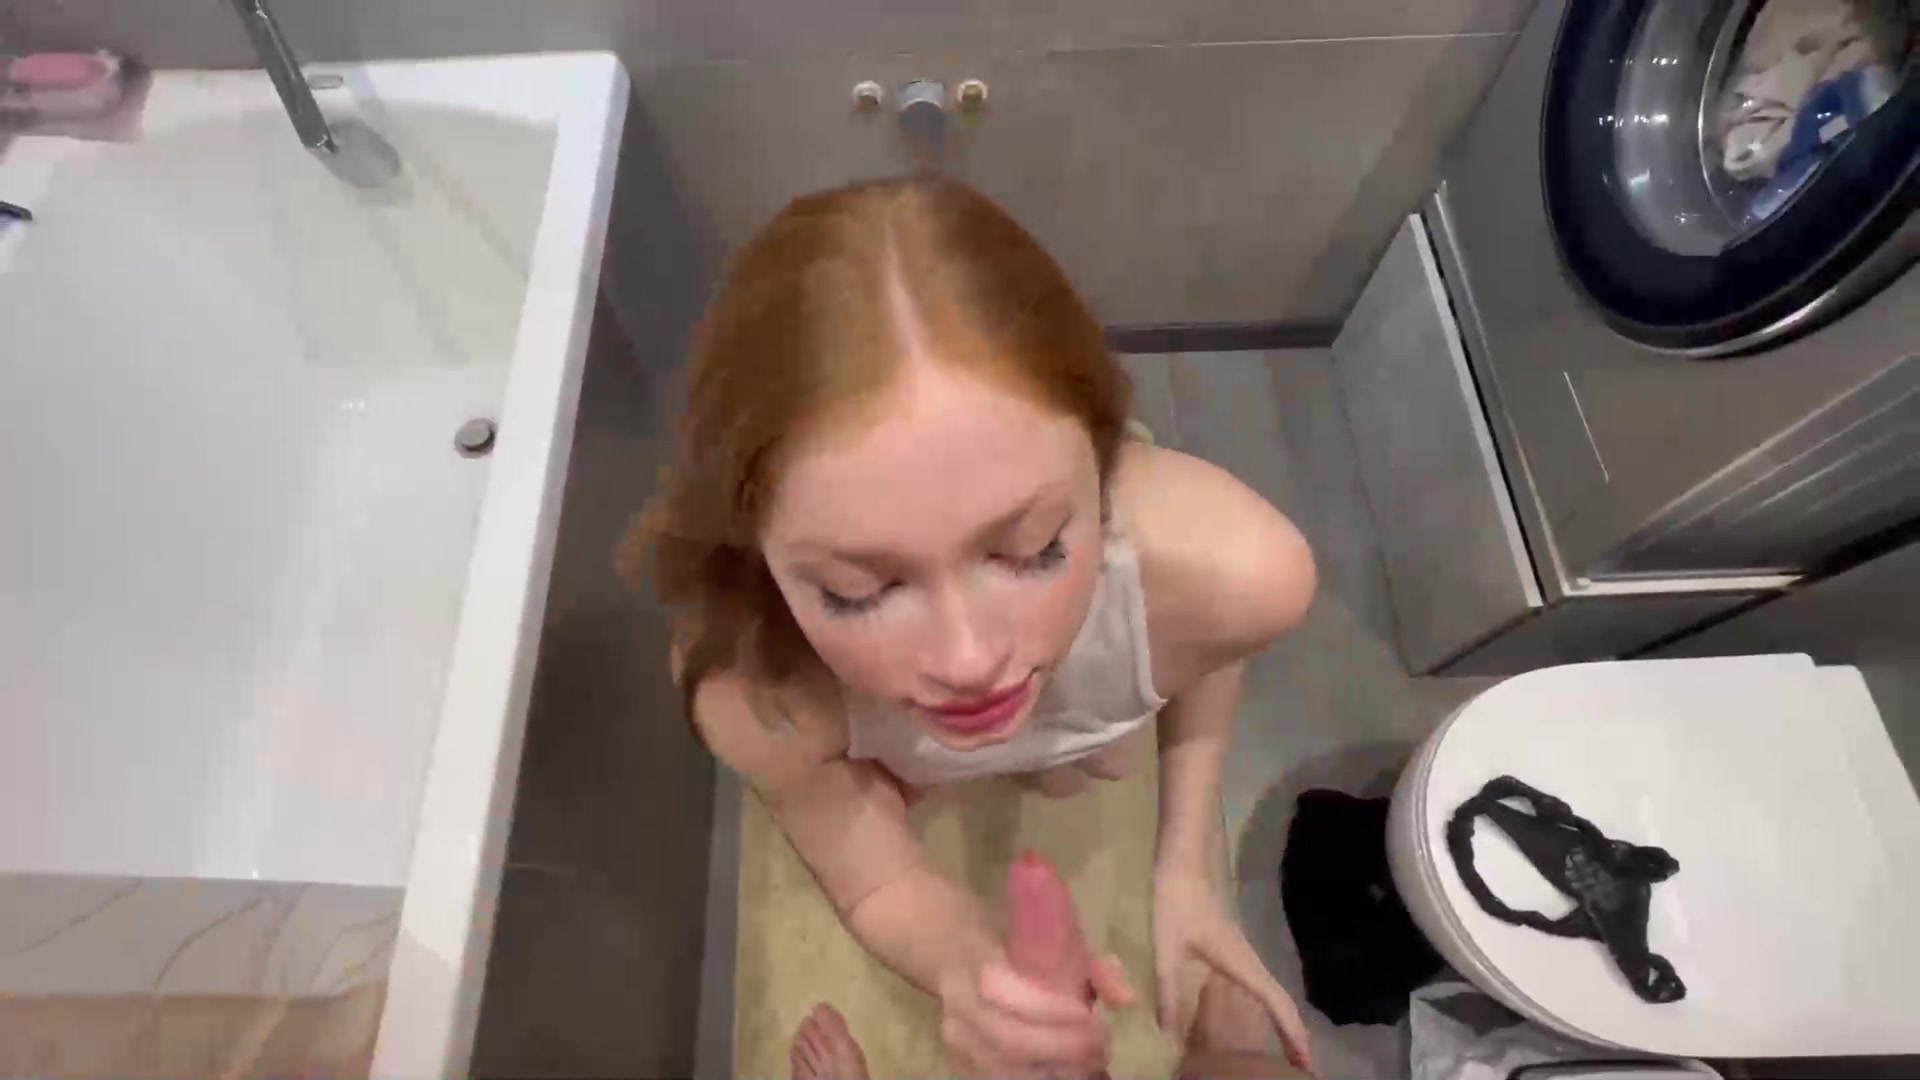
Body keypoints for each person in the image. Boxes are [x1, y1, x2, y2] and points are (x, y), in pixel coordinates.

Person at [629, 175, 1317, 1077]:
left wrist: (1183, 862)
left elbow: (1206, 659)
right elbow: (876, 872)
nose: (970, 661)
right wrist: (968, 969)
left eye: (1034, 549)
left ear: (1105, 464)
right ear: (751, 548)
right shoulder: (758, 690)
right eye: (856, 591)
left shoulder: (1239, 573)